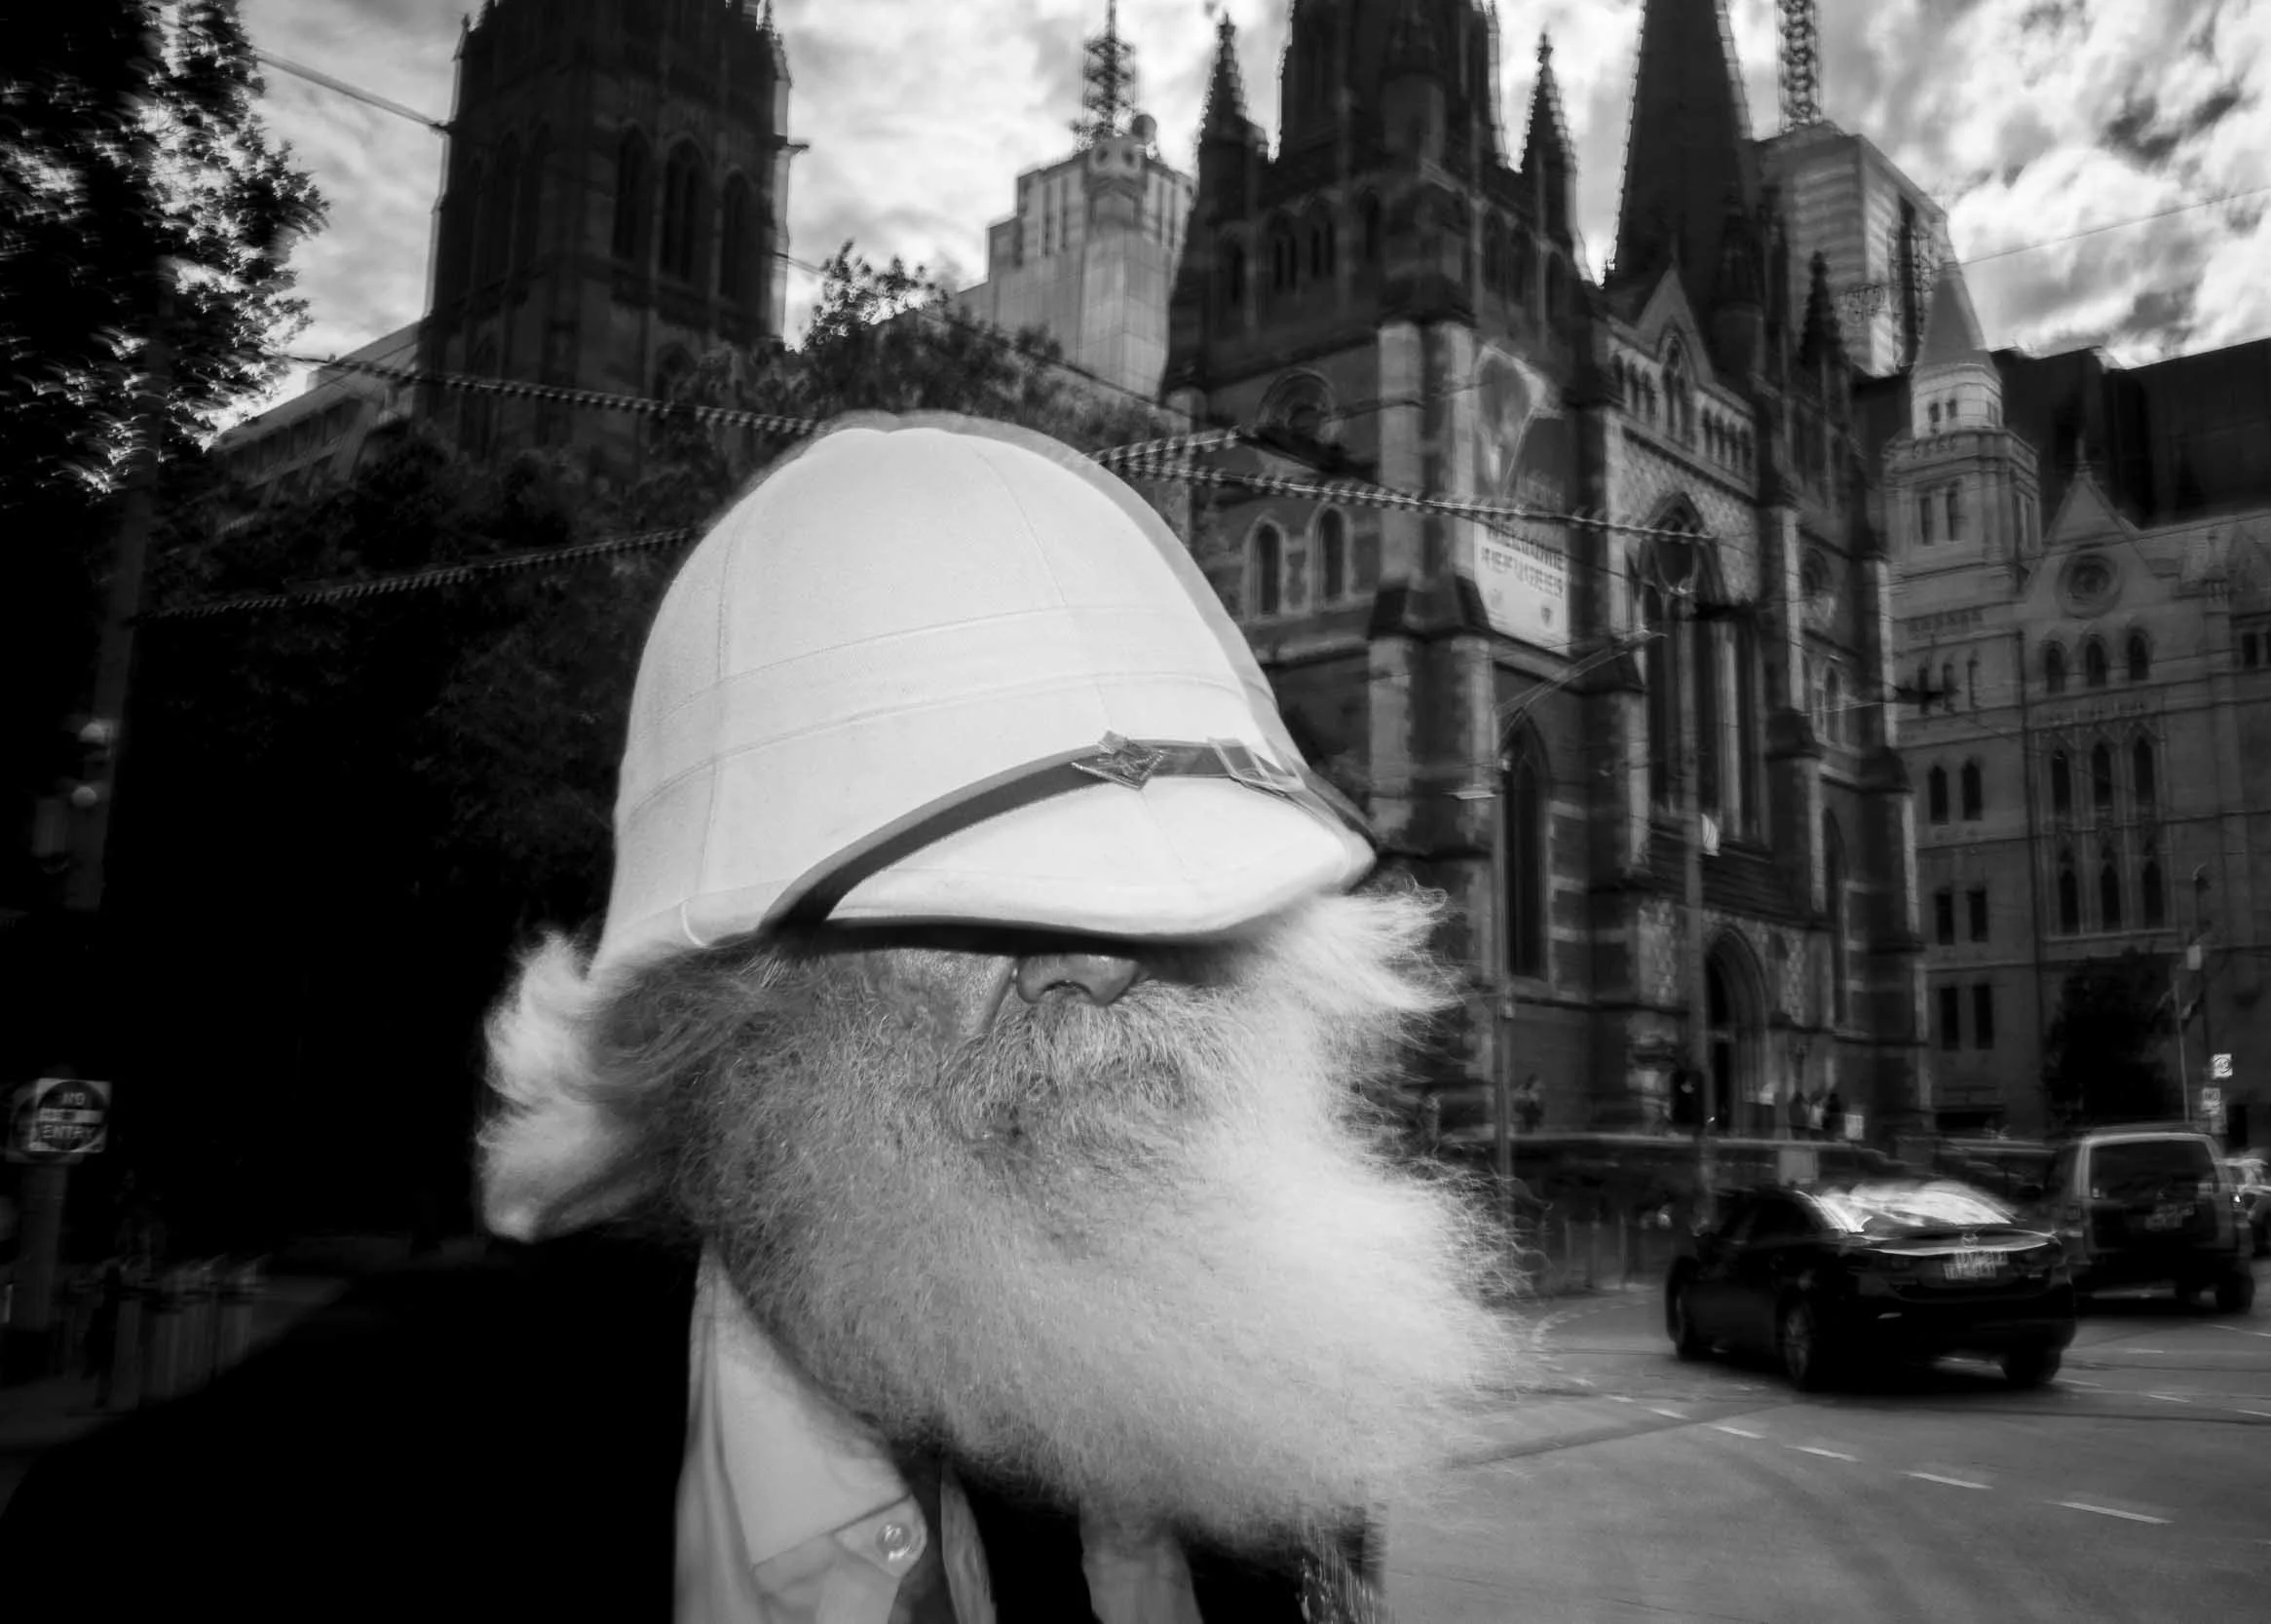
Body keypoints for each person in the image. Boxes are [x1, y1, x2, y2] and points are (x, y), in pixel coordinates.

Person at [0, 415, 1526, 1621]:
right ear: (722, 1009)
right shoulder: (255, 1530)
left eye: (1200, 901)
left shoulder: (1257, 1448)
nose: (1112, 967)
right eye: (996, 913)